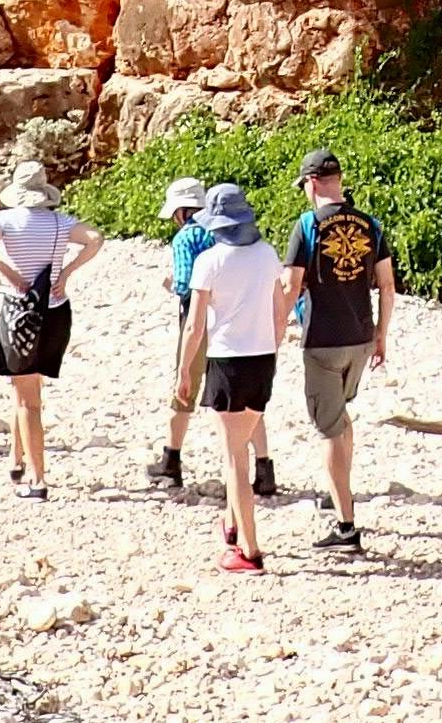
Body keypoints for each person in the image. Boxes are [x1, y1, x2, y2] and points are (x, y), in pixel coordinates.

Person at [286, 146, 399, 555]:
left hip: (323, 341)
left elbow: (291, 285)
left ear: (312, 184)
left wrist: (273, 328)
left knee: (329, 428)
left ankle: (346, 526)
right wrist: (382, 334)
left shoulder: (306, 225)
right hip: (361, 338)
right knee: (342, 418)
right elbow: (386, 285)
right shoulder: (371, 224)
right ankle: (341, 492)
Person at [177, 181, 292, 570]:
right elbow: (281, 314)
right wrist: (271, 348)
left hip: (226, 360)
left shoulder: (208, 261)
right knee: (243, 446)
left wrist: (183, 371)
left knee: (234, 460)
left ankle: (250, 549)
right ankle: (231, 524)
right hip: (262, 358)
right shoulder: (267, 254)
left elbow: (194, 327)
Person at [0, 168, 103, 498]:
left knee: (26, 394)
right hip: (56, 310)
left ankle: (37, 479)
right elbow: (96, 238)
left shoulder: (6, 221)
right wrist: (68, 272)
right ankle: (16, 459)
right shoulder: (61, 223)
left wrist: (11, 273)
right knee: (28, 389)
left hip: (20, 311)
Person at [153, 175, 272, 498]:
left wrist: (169, 285)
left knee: (184, 390)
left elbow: (183, 285)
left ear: (180, 212)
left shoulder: (186, 238)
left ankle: (171, 461)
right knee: (246, 402)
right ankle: (264, 468)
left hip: (199, 319)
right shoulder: (236, 237)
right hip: (239, 328)